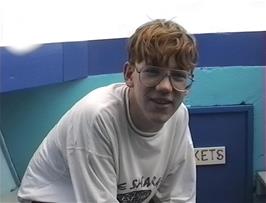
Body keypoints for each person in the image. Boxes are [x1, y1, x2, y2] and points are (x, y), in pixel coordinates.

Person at [17, 19, 198, 203]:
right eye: (152, 72)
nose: (166, 87)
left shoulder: (178, 116)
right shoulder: (97, 116)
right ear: (129, 75)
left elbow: (178, 197)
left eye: (178, 76)